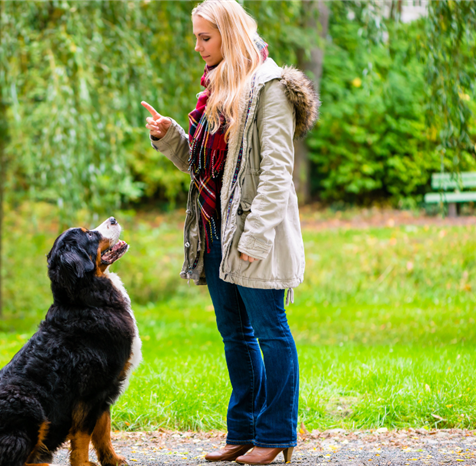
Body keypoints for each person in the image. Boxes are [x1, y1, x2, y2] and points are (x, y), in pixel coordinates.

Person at [142, 1, 319, 464]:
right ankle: (244, 430)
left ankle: (278, 433)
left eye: (206, 38)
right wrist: (169, 136)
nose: (198, 47)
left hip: (254, 234)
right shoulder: (216, 87)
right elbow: (205, 169)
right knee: (234, 333)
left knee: (270, 330)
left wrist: (254, 239)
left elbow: (278, 174)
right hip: (215, 228)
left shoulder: (270, 87)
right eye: (196, 37)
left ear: (230, 34)